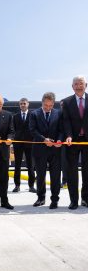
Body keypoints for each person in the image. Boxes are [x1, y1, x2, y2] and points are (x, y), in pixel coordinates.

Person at [29, 92, 63, 209]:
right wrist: (44, 139)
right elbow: (32, 130)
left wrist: (59, 140)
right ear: (42, 102)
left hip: (55, 150)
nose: (48, 108)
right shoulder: (34, 114)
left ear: (53, 104)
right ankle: (41, 198)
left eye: (50, 105)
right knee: (41, 175)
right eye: (45, 105)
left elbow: (61, 130)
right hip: (40, 150)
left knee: (55, 176)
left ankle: (54, 199)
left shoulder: (58, 114)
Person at [63, 75, 88, 209]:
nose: (78, 86)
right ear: (72, 87)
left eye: (81, 83)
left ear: (86, 85)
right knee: (72, 171)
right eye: (76, 84)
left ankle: (85, 199)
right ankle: (73, 200)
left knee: (87, 172)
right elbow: (66, 121)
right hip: (72, 141)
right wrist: (68, 135)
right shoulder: (66, 102)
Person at [12, 98, 36, 193]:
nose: (22, 105)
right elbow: (13, 130)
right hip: (18, 144)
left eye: (24, 103)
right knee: (17, 165)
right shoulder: (15, 116)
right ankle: (17, 185)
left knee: (31, 165)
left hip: (30, 144)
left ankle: (31, 186)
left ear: (28, 104)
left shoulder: (32, 115)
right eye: (21, 104)